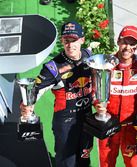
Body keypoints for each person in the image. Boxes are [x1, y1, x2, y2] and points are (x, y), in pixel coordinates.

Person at [20, 21, 93, 167]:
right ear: (62, 41)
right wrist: (27, 105)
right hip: (66, 121)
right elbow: (35, 89)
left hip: (86, 118)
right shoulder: (53, 67)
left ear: (82, 40)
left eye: (74, 40)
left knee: (85, 158)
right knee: (67, 162)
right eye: (67, 41)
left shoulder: (89, 56)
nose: (70, 45)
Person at [94, 25, 137, 167]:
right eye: (124, 42)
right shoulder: (105, 64)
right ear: (118, 41)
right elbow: (95, 92)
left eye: (132, 43)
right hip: (107, 124)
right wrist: (97, 104)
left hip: (132, 127)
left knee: (132, 163)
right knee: (106, 163)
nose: (128, 47)